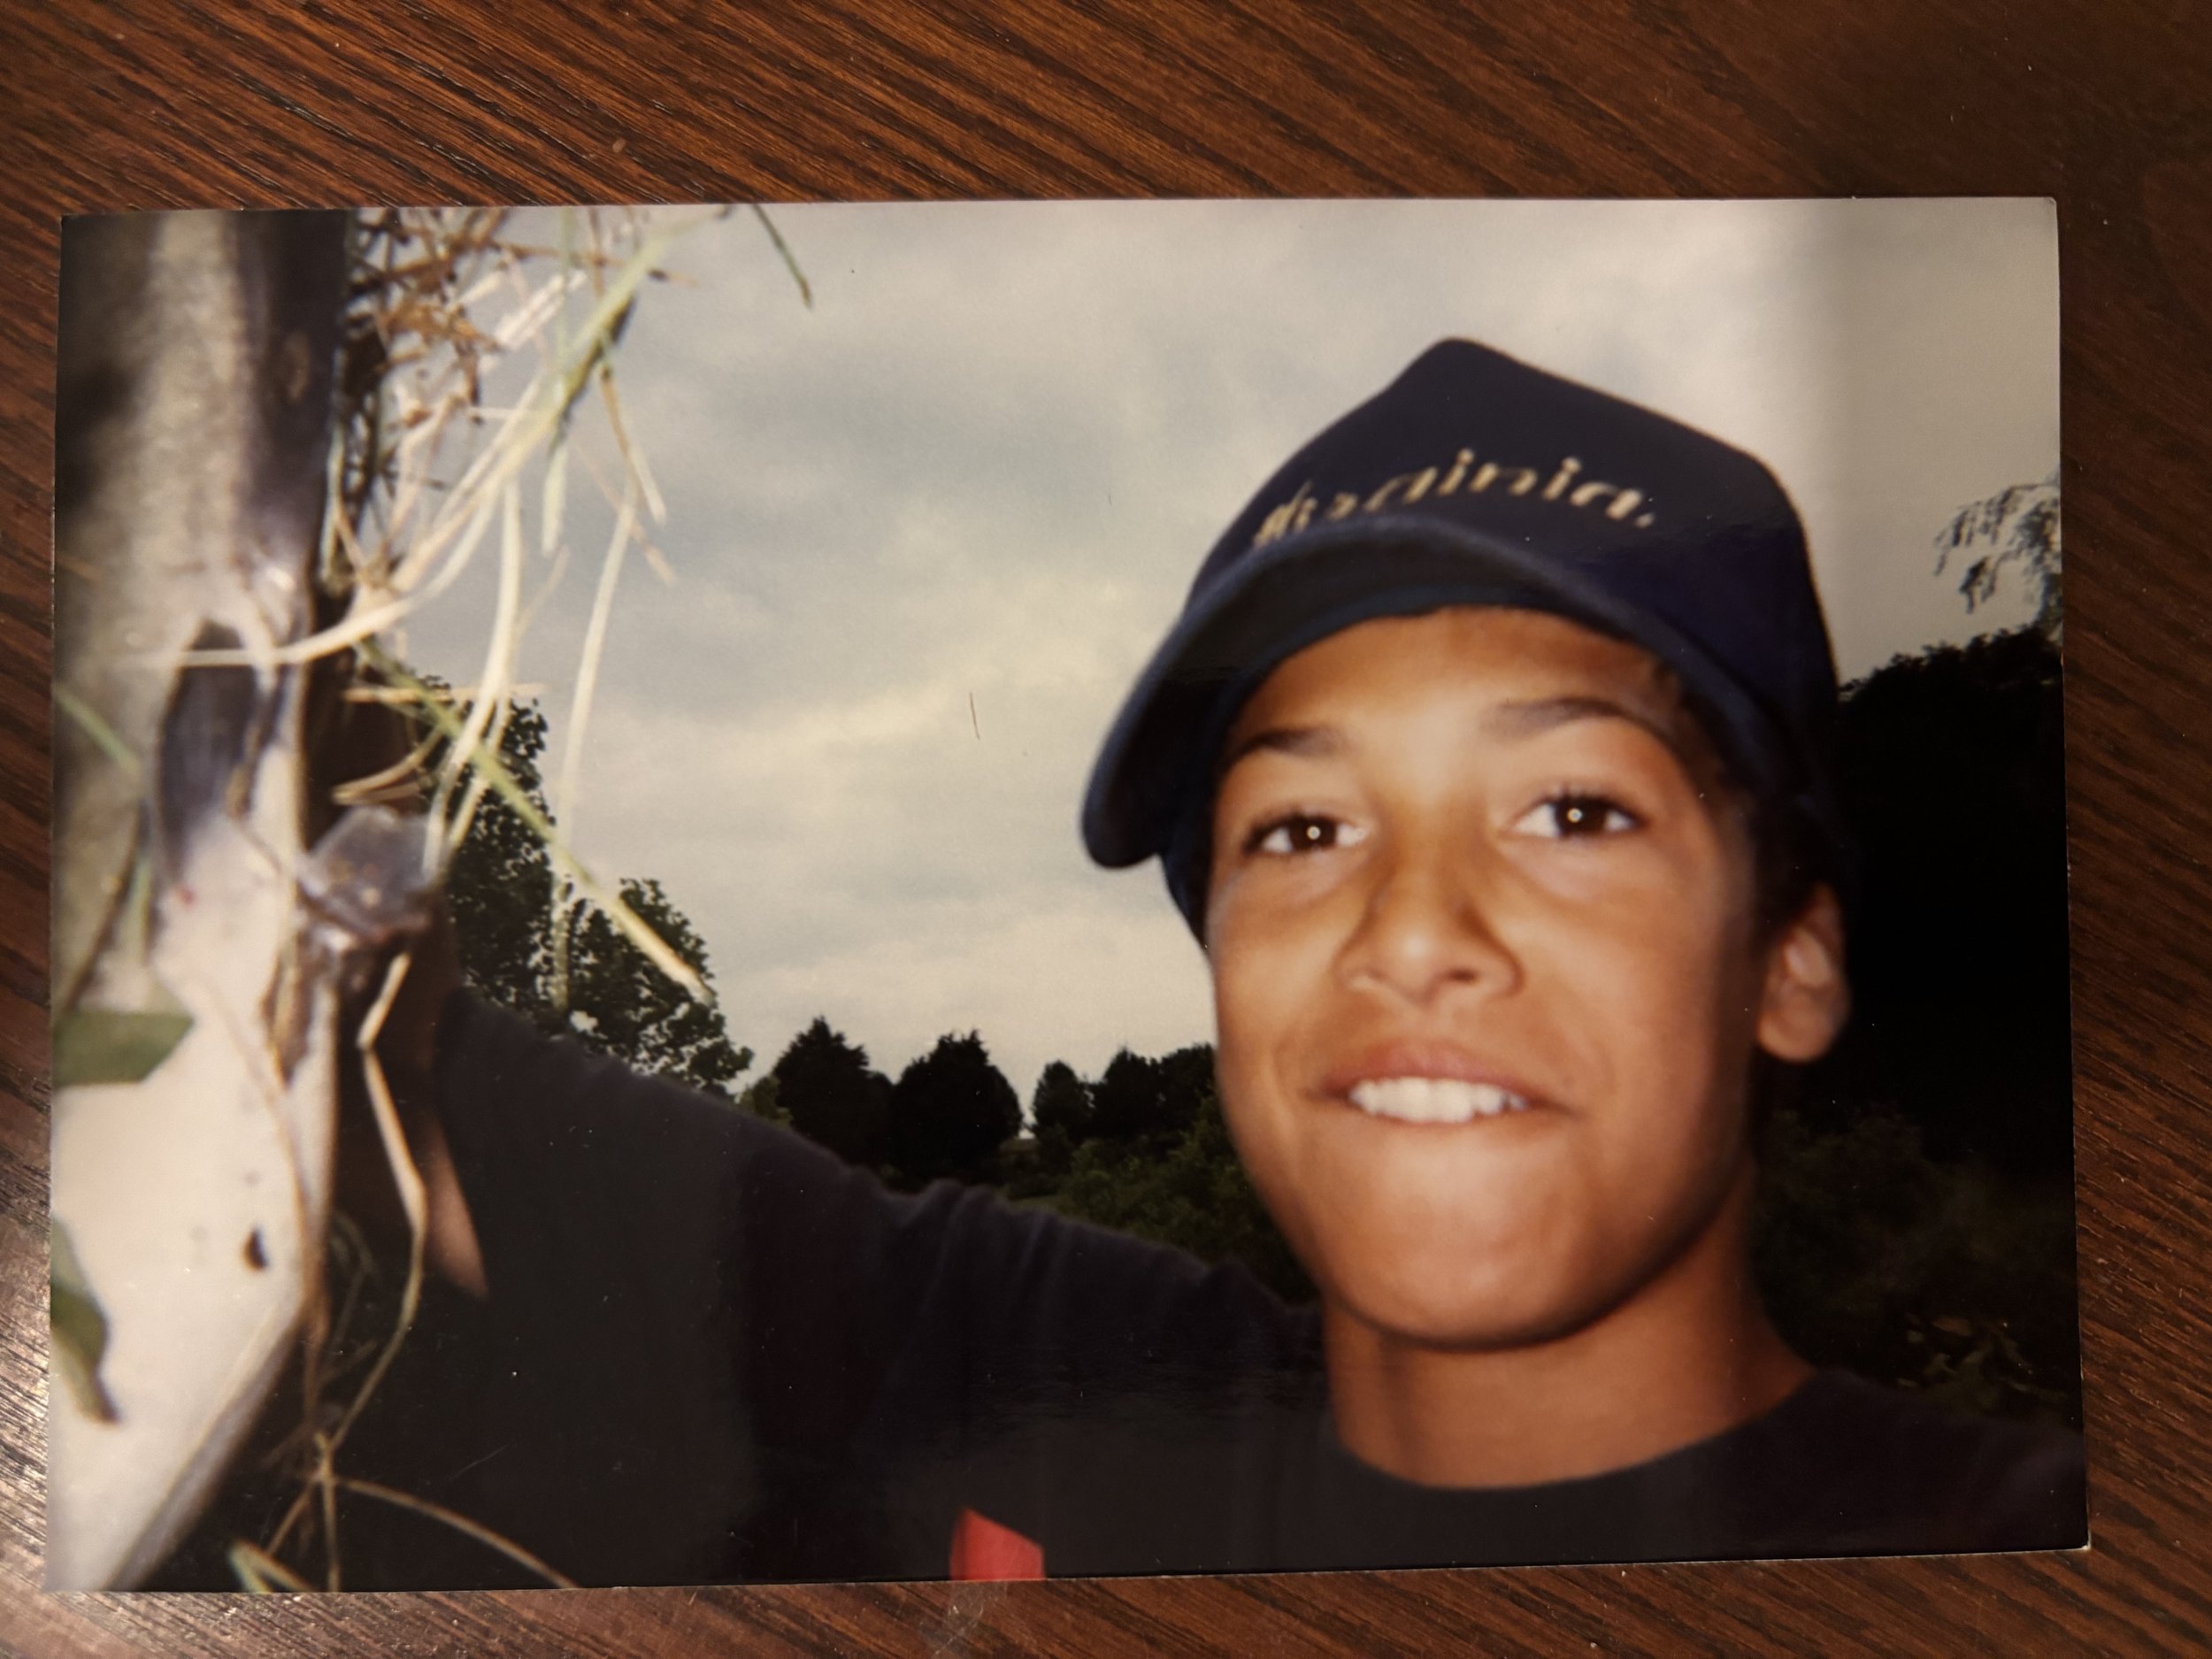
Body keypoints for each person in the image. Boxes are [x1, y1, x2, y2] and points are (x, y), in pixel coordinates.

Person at [329, 340, 2084, 1588]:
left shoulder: (2027, 1564)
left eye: (1567, 807)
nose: (1406, 928)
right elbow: (359, 1028)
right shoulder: (1014, 1373)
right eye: (1300, 832)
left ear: (1788, 952)